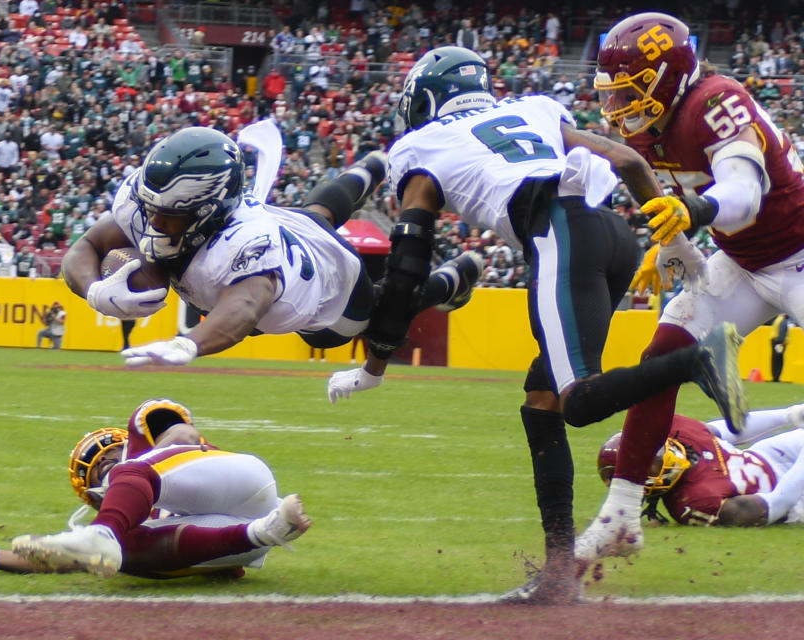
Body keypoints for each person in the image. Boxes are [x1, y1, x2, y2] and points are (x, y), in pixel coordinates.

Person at [325, 46, 747, 604]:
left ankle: (699, 360)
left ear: (426, 98)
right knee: (541, 402)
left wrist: (374, 365)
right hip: (611, 234)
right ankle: (556, 578)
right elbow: (627, 162)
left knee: (576, 400)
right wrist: (681, 250)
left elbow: (405, 273)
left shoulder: (420, 146)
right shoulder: (535, 109)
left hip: (558, 235)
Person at [575, 12, 804, 573]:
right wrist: (669, 247)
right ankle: (622, 513)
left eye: (630, 92)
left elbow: (743, 196)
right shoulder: (649, 130)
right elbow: (693, 204)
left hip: (798, 254)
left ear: (666, 77)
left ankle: (774, 504)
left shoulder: (716, 99)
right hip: (746, 262)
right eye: (615, 94)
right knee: (664, 356)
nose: (619, 108)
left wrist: (694, 213)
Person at [60, 121, 484, 368]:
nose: (152, 221)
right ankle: (370, 169)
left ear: (208, 208)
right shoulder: (154, 204)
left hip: (329, 285)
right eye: (151, 207)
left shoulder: (243, 244)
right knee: (314, 215)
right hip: (286, 227)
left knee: (379, 312)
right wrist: (95, 289)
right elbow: (86, 246)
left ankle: (448, 282)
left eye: (169, 213)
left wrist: (187, 343)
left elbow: (243, 309)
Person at [0, 398, 312, 578]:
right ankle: (269, 530)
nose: (105, 470)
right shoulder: (123, 514)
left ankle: (102, 533)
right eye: (96, 472)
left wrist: (161, 447)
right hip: (239, 540)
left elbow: (180, 430)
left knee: (114, 523)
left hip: (237, 482)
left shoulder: (141, 447)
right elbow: (63, 559)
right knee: (119, 553)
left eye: (107, 459)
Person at [595, 402, 804, 527]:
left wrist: (789, 415)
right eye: (648, 466)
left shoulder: (675, 430)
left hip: (766, 455)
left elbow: (724, 430)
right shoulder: (692, 501)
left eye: (653, 450)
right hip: (792, 498)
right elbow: (776, 505)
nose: (660, 458)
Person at [770, 314, 792, 382]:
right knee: (779, 360)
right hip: (779, 342)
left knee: (774, 360)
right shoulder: (783, 321)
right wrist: (782, 342)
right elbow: (782, 331)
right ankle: (777, 377)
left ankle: (774, 377)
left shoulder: (777, 319)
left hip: (774, 340)